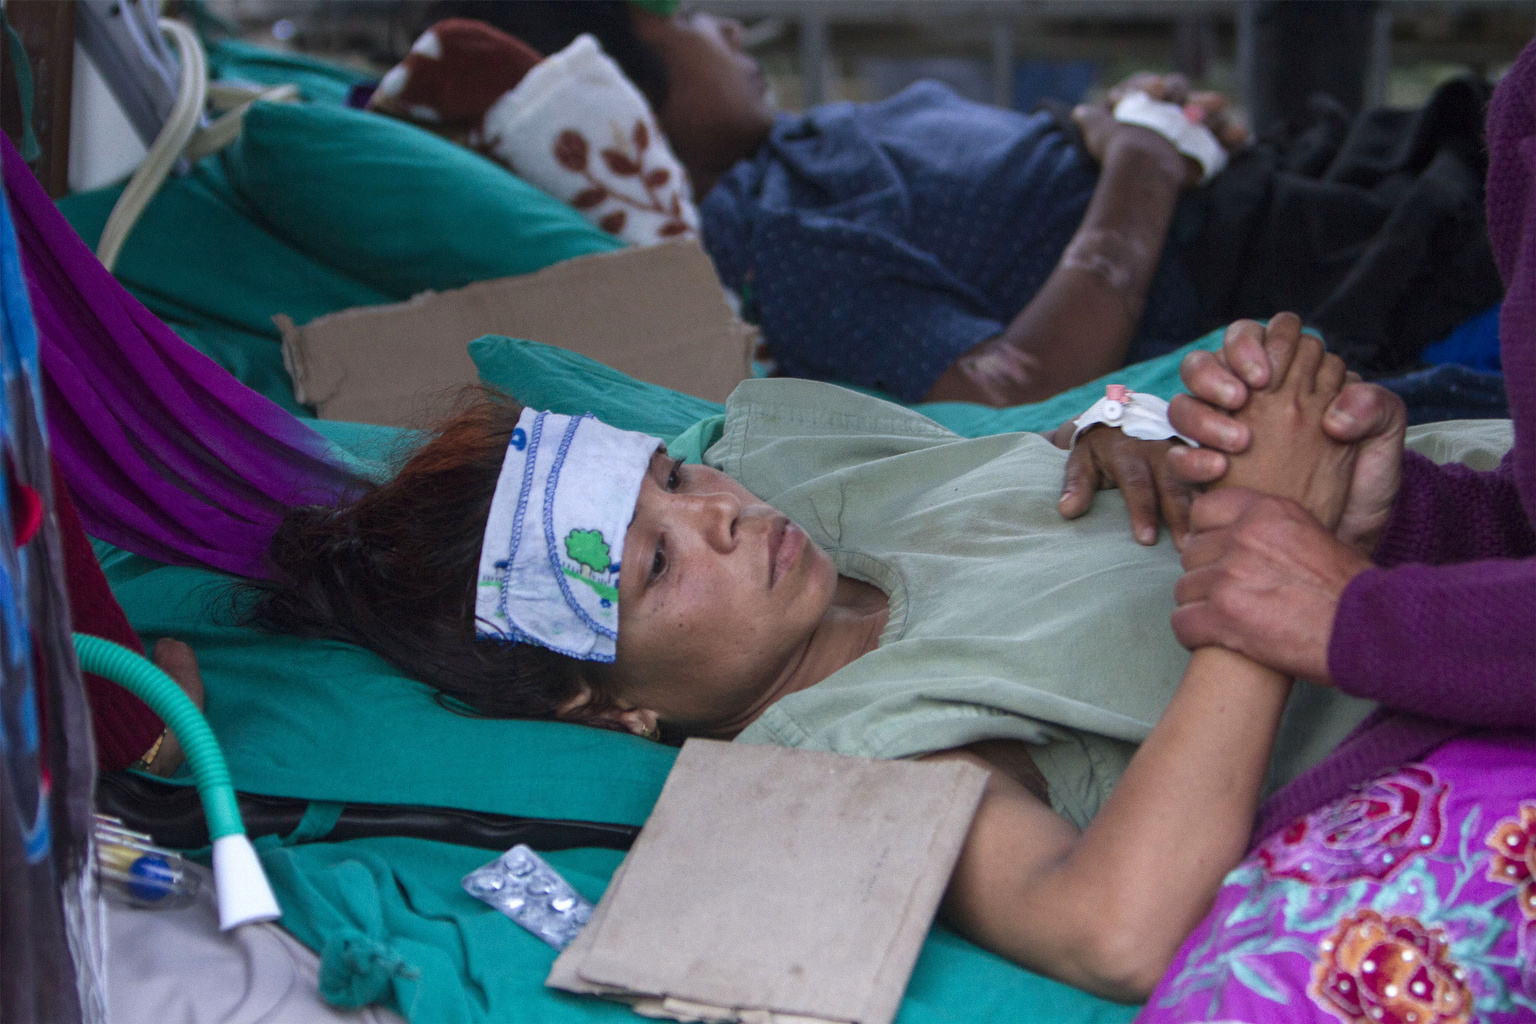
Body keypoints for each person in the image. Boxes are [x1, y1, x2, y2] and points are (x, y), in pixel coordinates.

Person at [250, 318, 1387, 1000]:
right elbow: (1113, 932)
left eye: (677, 478)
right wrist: (1267, 577)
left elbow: (1010, 451)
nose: (722, 513)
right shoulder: (847, 759)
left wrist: (1125, 429)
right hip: (1435, 671)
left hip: (1447, 500)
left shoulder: (818, 475)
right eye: (655, 564)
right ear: (603, 708)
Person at [426, 0, 1248, 407]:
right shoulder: (775, 242)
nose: (732, 30)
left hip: (1268, 196)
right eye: (689, 14)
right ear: (611, 86)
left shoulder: (803, 149)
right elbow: (1016, 386)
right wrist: (1145, 162)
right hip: (1257, 256)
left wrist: (1114, 120)